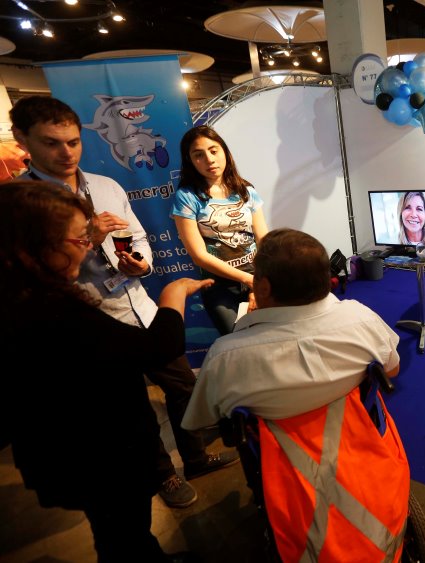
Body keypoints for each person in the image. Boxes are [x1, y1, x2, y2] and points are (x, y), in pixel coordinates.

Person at [10, 95, 238, 510]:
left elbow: (138, 237)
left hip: (139, 305)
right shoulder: (21, 204)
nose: (67, 153)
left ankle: (196, 458)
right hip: (91, 323)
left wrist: (140, 265)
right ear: (21, 139)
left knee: (184, 386)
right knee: (132, 408)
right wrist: (88, 238)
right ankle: (163, 476)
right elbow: (32, 275)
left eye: (74, 142)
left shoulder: (106, 185)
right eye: (52, 143)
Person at [0, 180, 213, 563]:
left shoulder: (25, 298)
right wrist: (174, 295)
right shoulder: (52, 312)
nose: (87, 248)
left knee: (121, 533)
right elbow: (156, 348)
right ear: (37, 248)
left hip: (84, 454)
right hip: (99, 458)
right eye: (80, 240)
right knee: (123, 535)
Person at [182, 228, 409, 561]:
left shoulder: (227, 356)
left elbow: (201, 420)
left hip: (289, 480)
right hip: (369, 454)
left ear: (263, 286)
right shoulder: (361, 318)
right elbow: (392, 370)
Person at [171, 125, 269, 335]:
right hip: (219, 285)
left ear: (224, 151)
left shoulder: (247, 190)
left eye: (213, 150)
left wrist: (260, 281)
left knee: (269, 336)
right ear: (190, 161)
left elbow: (264, 240)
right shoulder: (187, 197)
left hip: (257, 275)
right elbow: (199, 255)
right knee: (237, 341)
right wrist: (248, 281)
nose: (209, 159)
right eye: (199, 155)